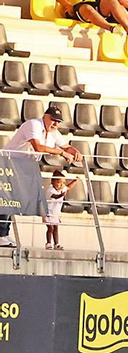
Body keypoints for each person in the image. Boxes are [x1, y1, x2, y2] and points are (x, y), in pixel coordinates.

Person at [0, 105, 80, 248]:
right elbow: (38, 147)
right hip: (8, 163)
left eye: (58, 121)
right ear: (45, 116)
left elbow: (66, 146)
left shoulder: (54, 132)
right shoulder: (34, 125)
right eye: (53, 120)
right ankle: (1, 235)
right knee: (7, 201)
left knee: (12, 201)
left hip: (22, 167)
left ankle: (3, 234)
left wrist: (75, 152)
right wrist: (61, 153)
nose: (55, 124)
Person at [43, 174, 74, 250]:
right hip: (49, 212)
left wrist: (75, 181)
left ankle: (56, 244)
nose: (61, 185)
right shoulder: (50, 190)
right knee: (50, 228)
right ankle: (48, 243)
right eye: (59, 182)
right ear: (53, 182)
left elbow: (69, 187)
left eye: (63, 183)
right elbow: (55, 196)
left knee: (56, 228)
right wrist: (61, 195)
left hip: (56, 213)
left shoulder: (61, 189)